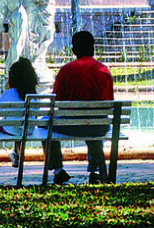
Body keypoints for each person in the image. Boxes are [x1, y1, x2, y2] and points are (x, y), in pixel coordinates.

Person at [47, 30, 114, 185]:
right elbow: (109, 103)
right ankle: (95, 170)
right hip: (98, 127)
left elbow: (57, 102)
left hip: (72, 126)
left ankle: (58, 169)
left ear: (74, 50)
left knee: (46, 124)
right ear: (93, 48)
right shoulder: (103, 70)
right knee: (93, 122)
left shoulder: (66, 70)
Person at [0, 57, 39, 176]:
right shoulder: (34, 95)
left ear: (13, 78)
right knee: (20, 126)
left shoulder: (8, 94)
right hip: (28, 130)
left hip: (12, 130)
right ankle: (17, 156)